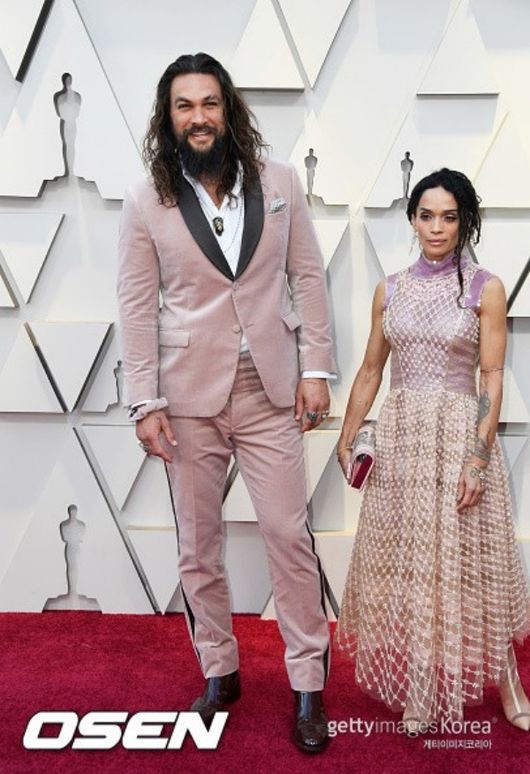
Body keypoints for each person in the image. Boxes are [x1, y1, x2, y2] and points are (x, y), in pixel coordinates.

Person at [117, 52, 335, 753]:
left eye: (209, 103)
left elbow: (308, 275)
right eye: (184, 106)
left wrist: (316, 368)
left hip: (270, 389)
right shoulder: (145, 200)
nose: (199, 117)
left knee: (289, 537)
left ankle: (308, 683)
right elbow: (136, 306)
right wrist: (145, 401)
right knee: (198, 546)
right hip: (186, 397)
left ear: (228, 109)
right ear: (168, 117)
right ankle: (220, 669)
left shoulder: (280, 181)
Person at [336, 168, 530, 734]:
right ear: (413, 220)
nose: (437, 228)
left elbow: (491, 377)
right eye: (426, 216)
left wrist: (478, 457)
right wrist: (348, 437)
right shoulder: (391, 288)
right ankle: (419, 686)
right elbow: (371, 369)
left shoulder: (485, 288)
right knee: (417, 569)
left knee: (476, 567)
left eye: (449, 217)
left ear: (465, 221)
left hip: (459, 436)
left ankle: (510, 683)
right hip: (403, 442)